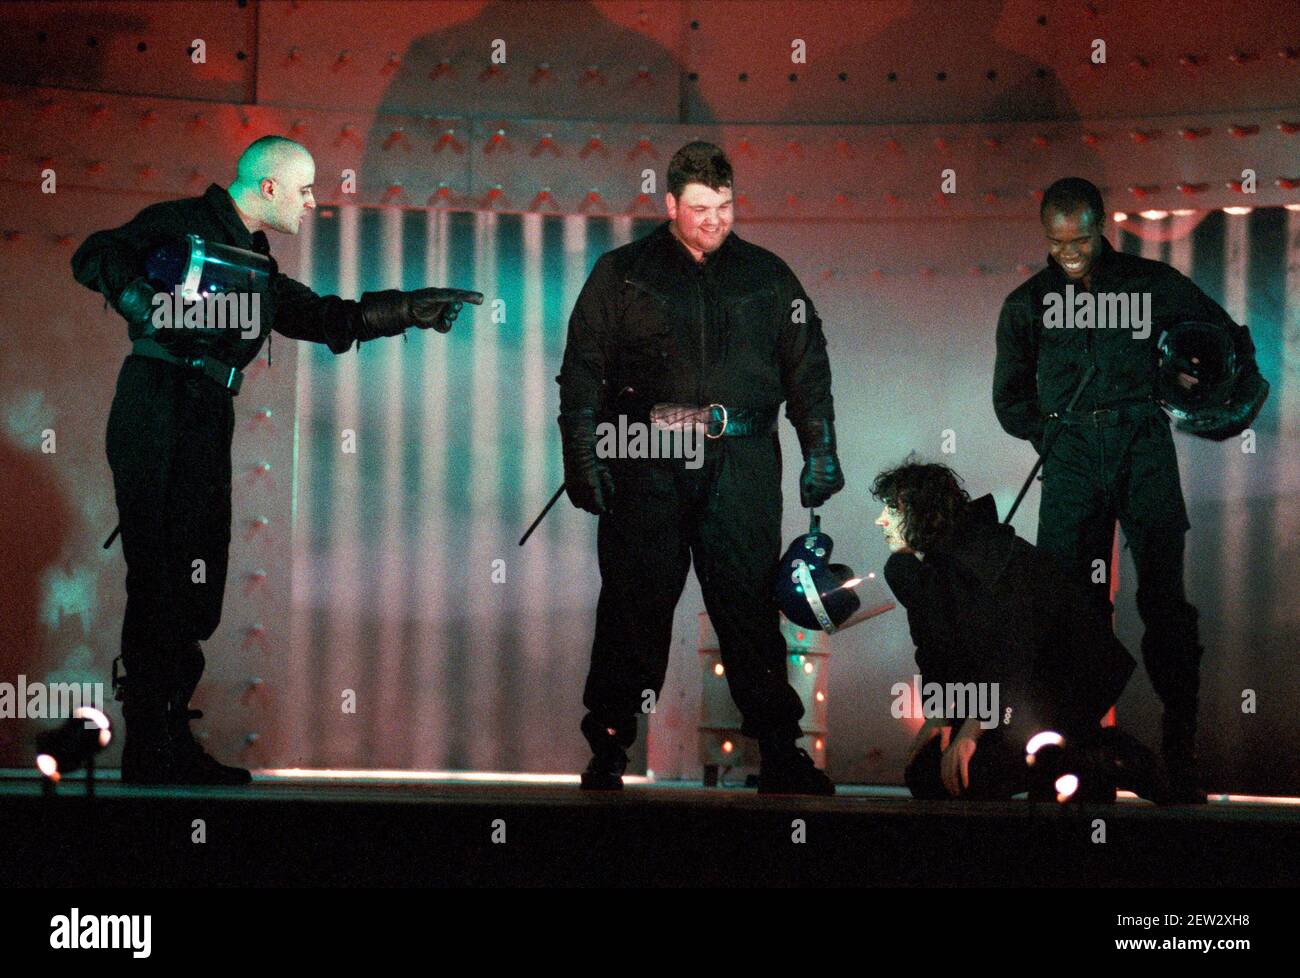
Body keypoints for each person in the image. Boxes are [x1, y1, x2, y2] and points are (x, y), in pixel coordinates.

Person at [72, 135, 481, 784]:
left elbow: (321, 317)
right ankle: (151, 744)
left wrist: (408, 309)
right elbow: (95, 252)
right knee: (161, 577)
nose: (313, 201)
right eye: (305, 189)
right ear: (268, 189)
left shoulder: (256, 263)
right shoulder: (180, 221)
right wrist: (141, 302)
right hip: (158, 405)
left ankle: (168, 737)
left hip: (205, 413)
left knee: (197, 578)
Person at [557, 141, 844, 794]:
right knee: (634, 604)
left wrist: (821, 448)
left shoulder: (768, 277)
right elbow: (582, 370)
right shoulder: (623, 273)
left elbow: (808, 368)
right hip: (647, 458)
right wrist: (582, 455)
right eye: (699, 207)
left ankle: (779, 749)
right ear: (669, 204)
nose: (714, 219)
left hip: (740, 459)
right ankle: (608, 745)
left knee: (747, 607)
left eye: (724, 205)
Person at [992, 177, 1265, 802]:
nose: (1070, 254)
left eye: (1081, 240)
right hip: (1071, 461)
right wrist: (1051, 437)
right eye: (1058, 244)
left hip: (1143, 448)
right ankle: (1076, 758)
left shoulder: (1154, 285)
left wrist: (1204, 391)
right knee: (1072, 611)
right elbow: (1008, 399)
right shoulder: (1026, 304)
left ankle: (1180, 756)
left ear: (1102, 226)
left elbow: (1225, 344)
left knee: (1165, 606)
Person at [872, 457, 1163, 802]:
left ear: (926, 511)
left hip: (1059, 683)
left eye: (893, 508)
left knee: (976, 776)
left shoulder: (986, 558)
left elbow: (1011, 657)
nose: (881, 520)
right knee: (927, 777)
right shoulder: (912, 570)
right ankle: (1070, 761)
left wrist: (970, 733)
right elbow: (933, 651)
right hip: (1006, 691)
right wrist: (940, 720)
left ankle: (1103, 756)